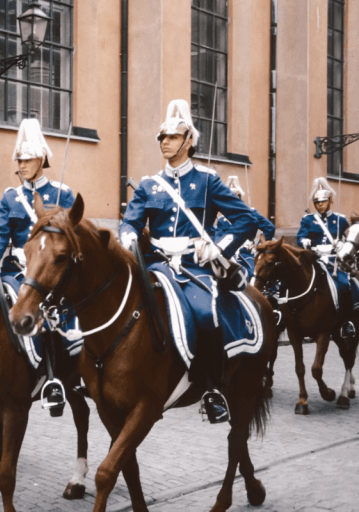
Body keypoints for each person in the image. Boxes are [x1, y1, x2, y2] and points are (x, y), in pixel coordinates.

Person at [120, 99, 259, 424]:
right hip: (157, 265)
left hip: (195, 268)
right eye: (162, 137)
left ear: (189, 141)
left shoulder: (208, 181)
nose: (164, 142)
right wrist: (126, 235)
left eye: (172, 137)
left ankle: (212, 389)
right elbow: (131, 221)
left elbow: (247, 220)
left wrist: (219, 248)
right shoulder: (150, 185)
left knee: (205, 313)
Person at [0, 118, 75, 416]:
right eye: (18, 159)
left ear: (42, 160)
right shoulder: (11, 197)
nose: (21, 164)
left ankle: (54, 380)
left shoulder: (63, 193)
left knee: (57, 316)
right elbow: (0, 233)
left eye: (27, 159)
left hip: (49, 269)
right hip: (18, 268)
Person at [296, 177, 357, 338]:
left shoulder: (340, 219)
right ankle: (300, 321)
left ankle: (346, 322)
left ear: (330, 201)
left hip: (334, 261)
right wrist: (305, 241)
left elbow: (350, 239)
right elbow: (300, 237)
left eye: (323, 201)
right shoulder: (308, 219)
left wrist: (341, 245)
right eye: (317, 202)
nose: (320, 205)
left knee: (344, 285)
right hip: (315, 259)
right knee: (299, 282)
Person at [214, 176, 276, 274]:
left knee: (252, 275)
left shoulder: (251, 213)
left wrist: (259, 246)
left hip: (246, 252)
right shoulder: (222, 219)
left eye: (235, 197)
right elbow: (218, 236)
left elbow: (269, 228)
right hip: (228, 253)